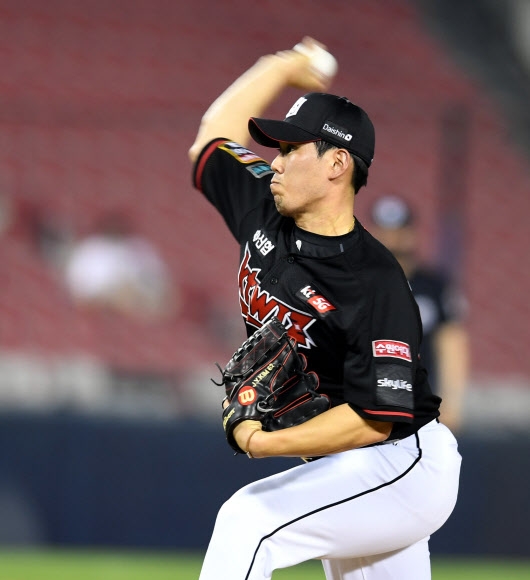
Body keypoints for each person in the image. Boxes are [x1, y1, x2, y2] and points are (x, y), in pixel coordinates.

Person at [188, 38, 461, 580]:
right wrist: (279, 67)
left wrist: (264, 443)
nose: (275, 161)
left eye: (291, 149)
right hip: (345, 469)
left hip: (402, 463)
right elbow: (210, 140)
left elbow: (375, 419)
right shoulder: (262, 204)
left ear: (337, 163)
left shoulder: (374, 282)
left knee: (248, 521)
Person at [369, 195, 469, 433]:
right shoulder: (357, 284)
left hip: (421, 404)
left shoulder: (433, 287)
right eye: (384, 231)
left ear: (411, 234)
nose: (391, 239)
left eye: (398, 231)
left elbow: (451, 342)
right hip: (367, 401)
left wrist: (452, 401)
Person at [63, 211, 176, 321]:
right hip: (103, 298)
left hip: (137, 292)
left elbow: (155, 274)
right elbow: (78, 289)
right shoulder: (88, 249)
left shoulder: (136, 246)